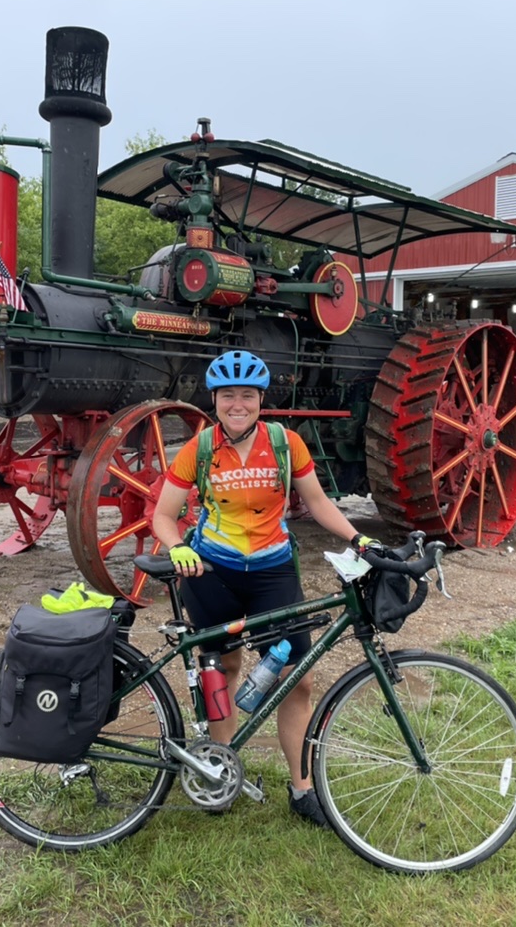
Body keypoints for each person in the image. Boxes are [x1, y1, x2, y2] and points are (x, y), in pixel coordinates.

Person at [151, 350, 375, 828]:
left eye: (247, 395)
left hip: (274, 570)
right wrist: (176, 548)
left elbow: (316, 503)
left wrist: (359, 537)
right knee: (222, 668)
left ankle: (301, 787)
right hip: (211, 572)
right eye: (228, 395)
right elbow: (163, 515)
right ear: (215, 400)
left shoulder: (285, 442)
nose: (238, 404)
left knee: (298, 678)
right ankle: (220, 773)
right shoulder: (200, 449)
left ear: (259, 400)